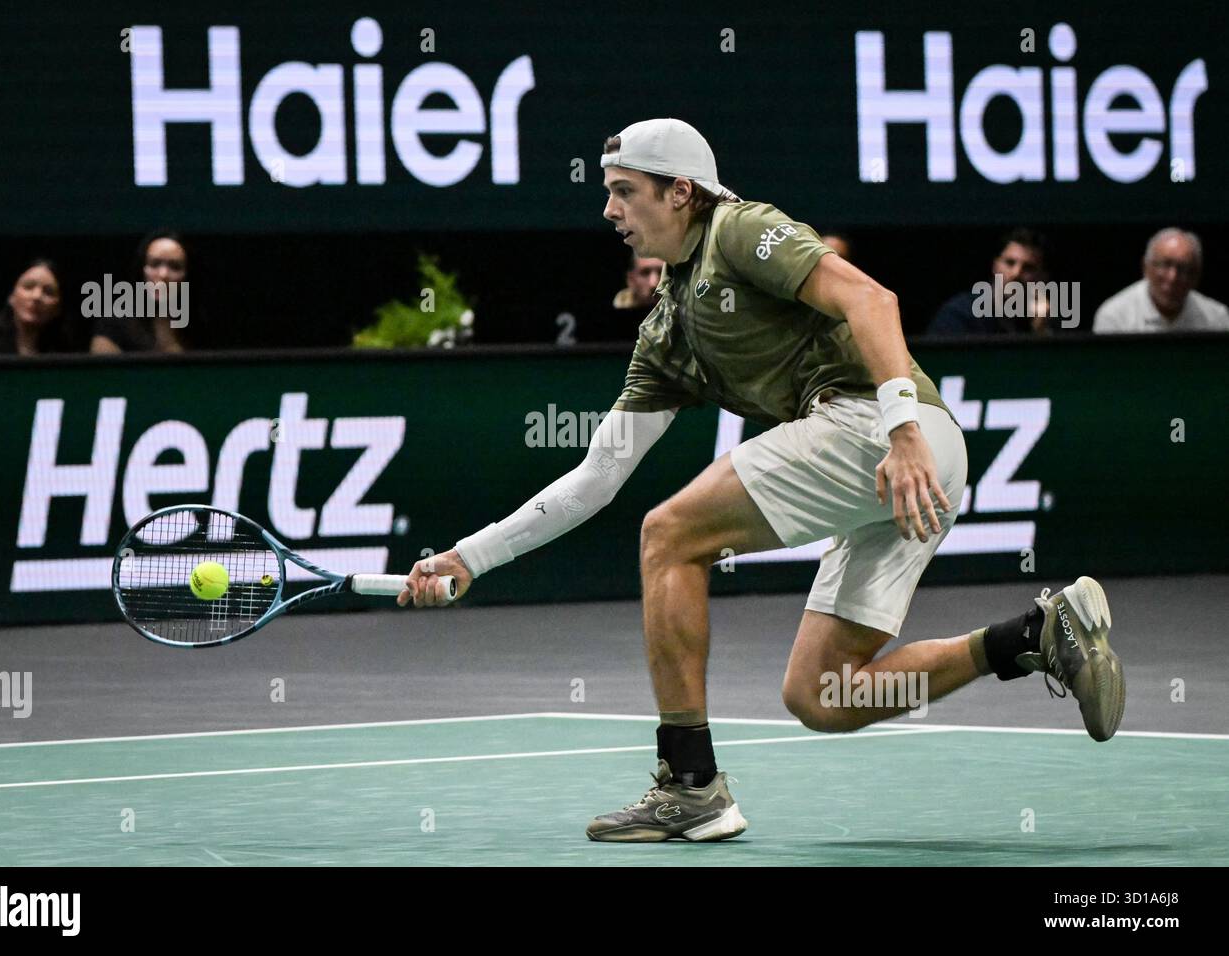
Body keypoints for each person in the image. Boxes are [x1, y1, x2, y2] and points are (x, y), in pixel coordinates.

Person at [397, 119, 1124, 843]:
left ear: (680, 192)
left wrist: (901, 433)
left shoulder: (739, 231)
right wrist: (469, 557)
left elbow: (871, 300)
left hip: (890, 430)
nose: (609, 211)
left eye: (624, 192)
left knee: (670, 535)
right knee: (823, 695)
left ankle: (691, 785)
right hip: (899, 461)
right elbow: (597, 477)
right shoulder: (666, 333)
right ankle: (1033, 635)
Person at [1094, 228, 1229, 334]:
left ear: (1196, 275)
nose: (1172, 277)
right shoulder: (1114, 315)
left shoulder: (1217, 318)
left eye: (1183, 268)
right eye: (1165, 265)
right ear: (1145, 267)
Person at [927, 229, 1052, 336]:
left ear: (1043, 276)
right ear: (995, 266)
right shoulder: (959, 314)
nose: (1016, 273)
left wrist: (1041, 331)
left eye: (1028, 268)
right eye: (1009, 263)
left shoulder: (1047, 317)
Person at [90, 229, 194, 353]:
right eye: (154, 264)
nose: (163, 274)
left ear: (187, 275)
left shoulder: (199, 328)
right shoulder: (113, 326)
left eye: (175, 267)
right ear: (142, 270)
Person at [0, 258, 70, 355]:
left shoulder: (66, 354)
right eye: (28, 287)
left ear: (58, 308)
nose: (36, 296)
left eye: (48, 292)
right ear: (12, 297)